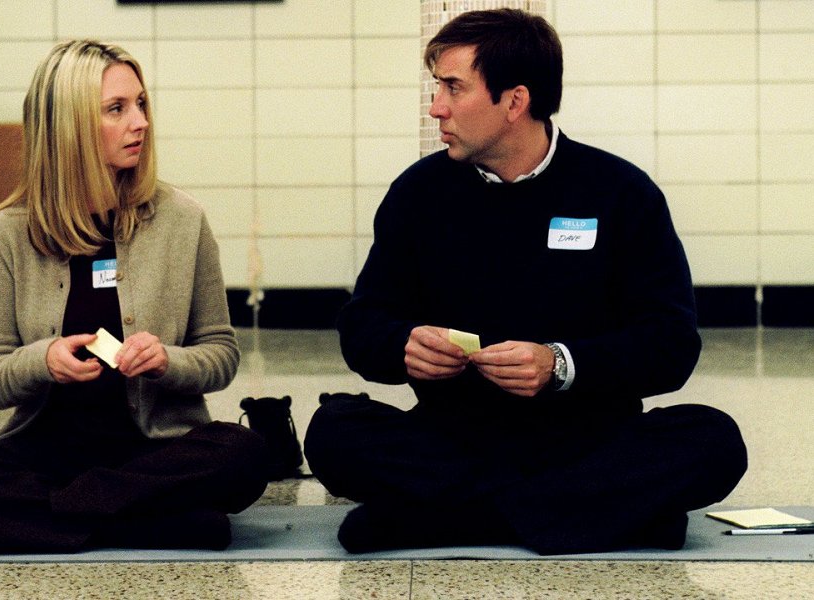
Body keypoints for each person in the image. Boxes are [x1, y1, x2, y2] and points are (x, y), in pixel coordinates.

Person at [304, 9, 747, 556]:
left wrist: (561, 364)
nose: (436, 106)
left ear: (514, 101)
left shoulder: (621, 192)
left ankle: (439, 519)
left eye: (453, 88)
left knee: (713, 441)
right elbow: (364, 325)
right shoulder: (419, 193)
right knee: (334, 431)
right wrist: (403, 345)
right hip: (453, 438)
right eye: (437, 87)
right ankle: (582, 517)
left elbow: (672, 345)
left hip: (588, 442)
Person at [0, 40, 268, 553]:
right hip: (43, 455)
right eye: (116, 109)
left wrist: (167, 361)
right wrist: (43, 360)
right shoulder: (9, 232)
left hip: (153, 454)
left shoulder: (182, 219)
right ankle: (152, 524)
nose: (141, 122)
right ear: (69, 126)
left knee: (244, 452)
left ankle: (17, 522)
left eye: (140, 104)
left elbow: (221, 353)